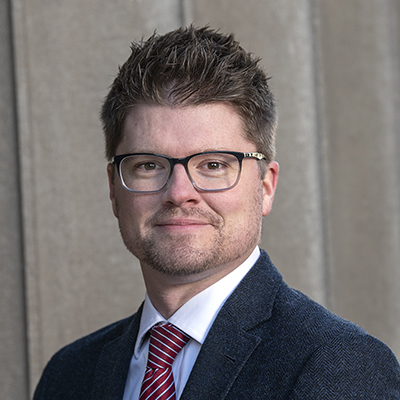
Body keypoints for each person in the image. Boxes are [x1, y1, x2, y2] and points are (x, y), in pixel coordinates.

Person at [34, 25, 400, 399]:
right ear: (114, 188)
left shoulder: (342, 366)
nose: (179, 193)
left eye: (213, 165)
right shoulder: (68, 374)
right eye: (148, 165)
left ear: (266, 186)